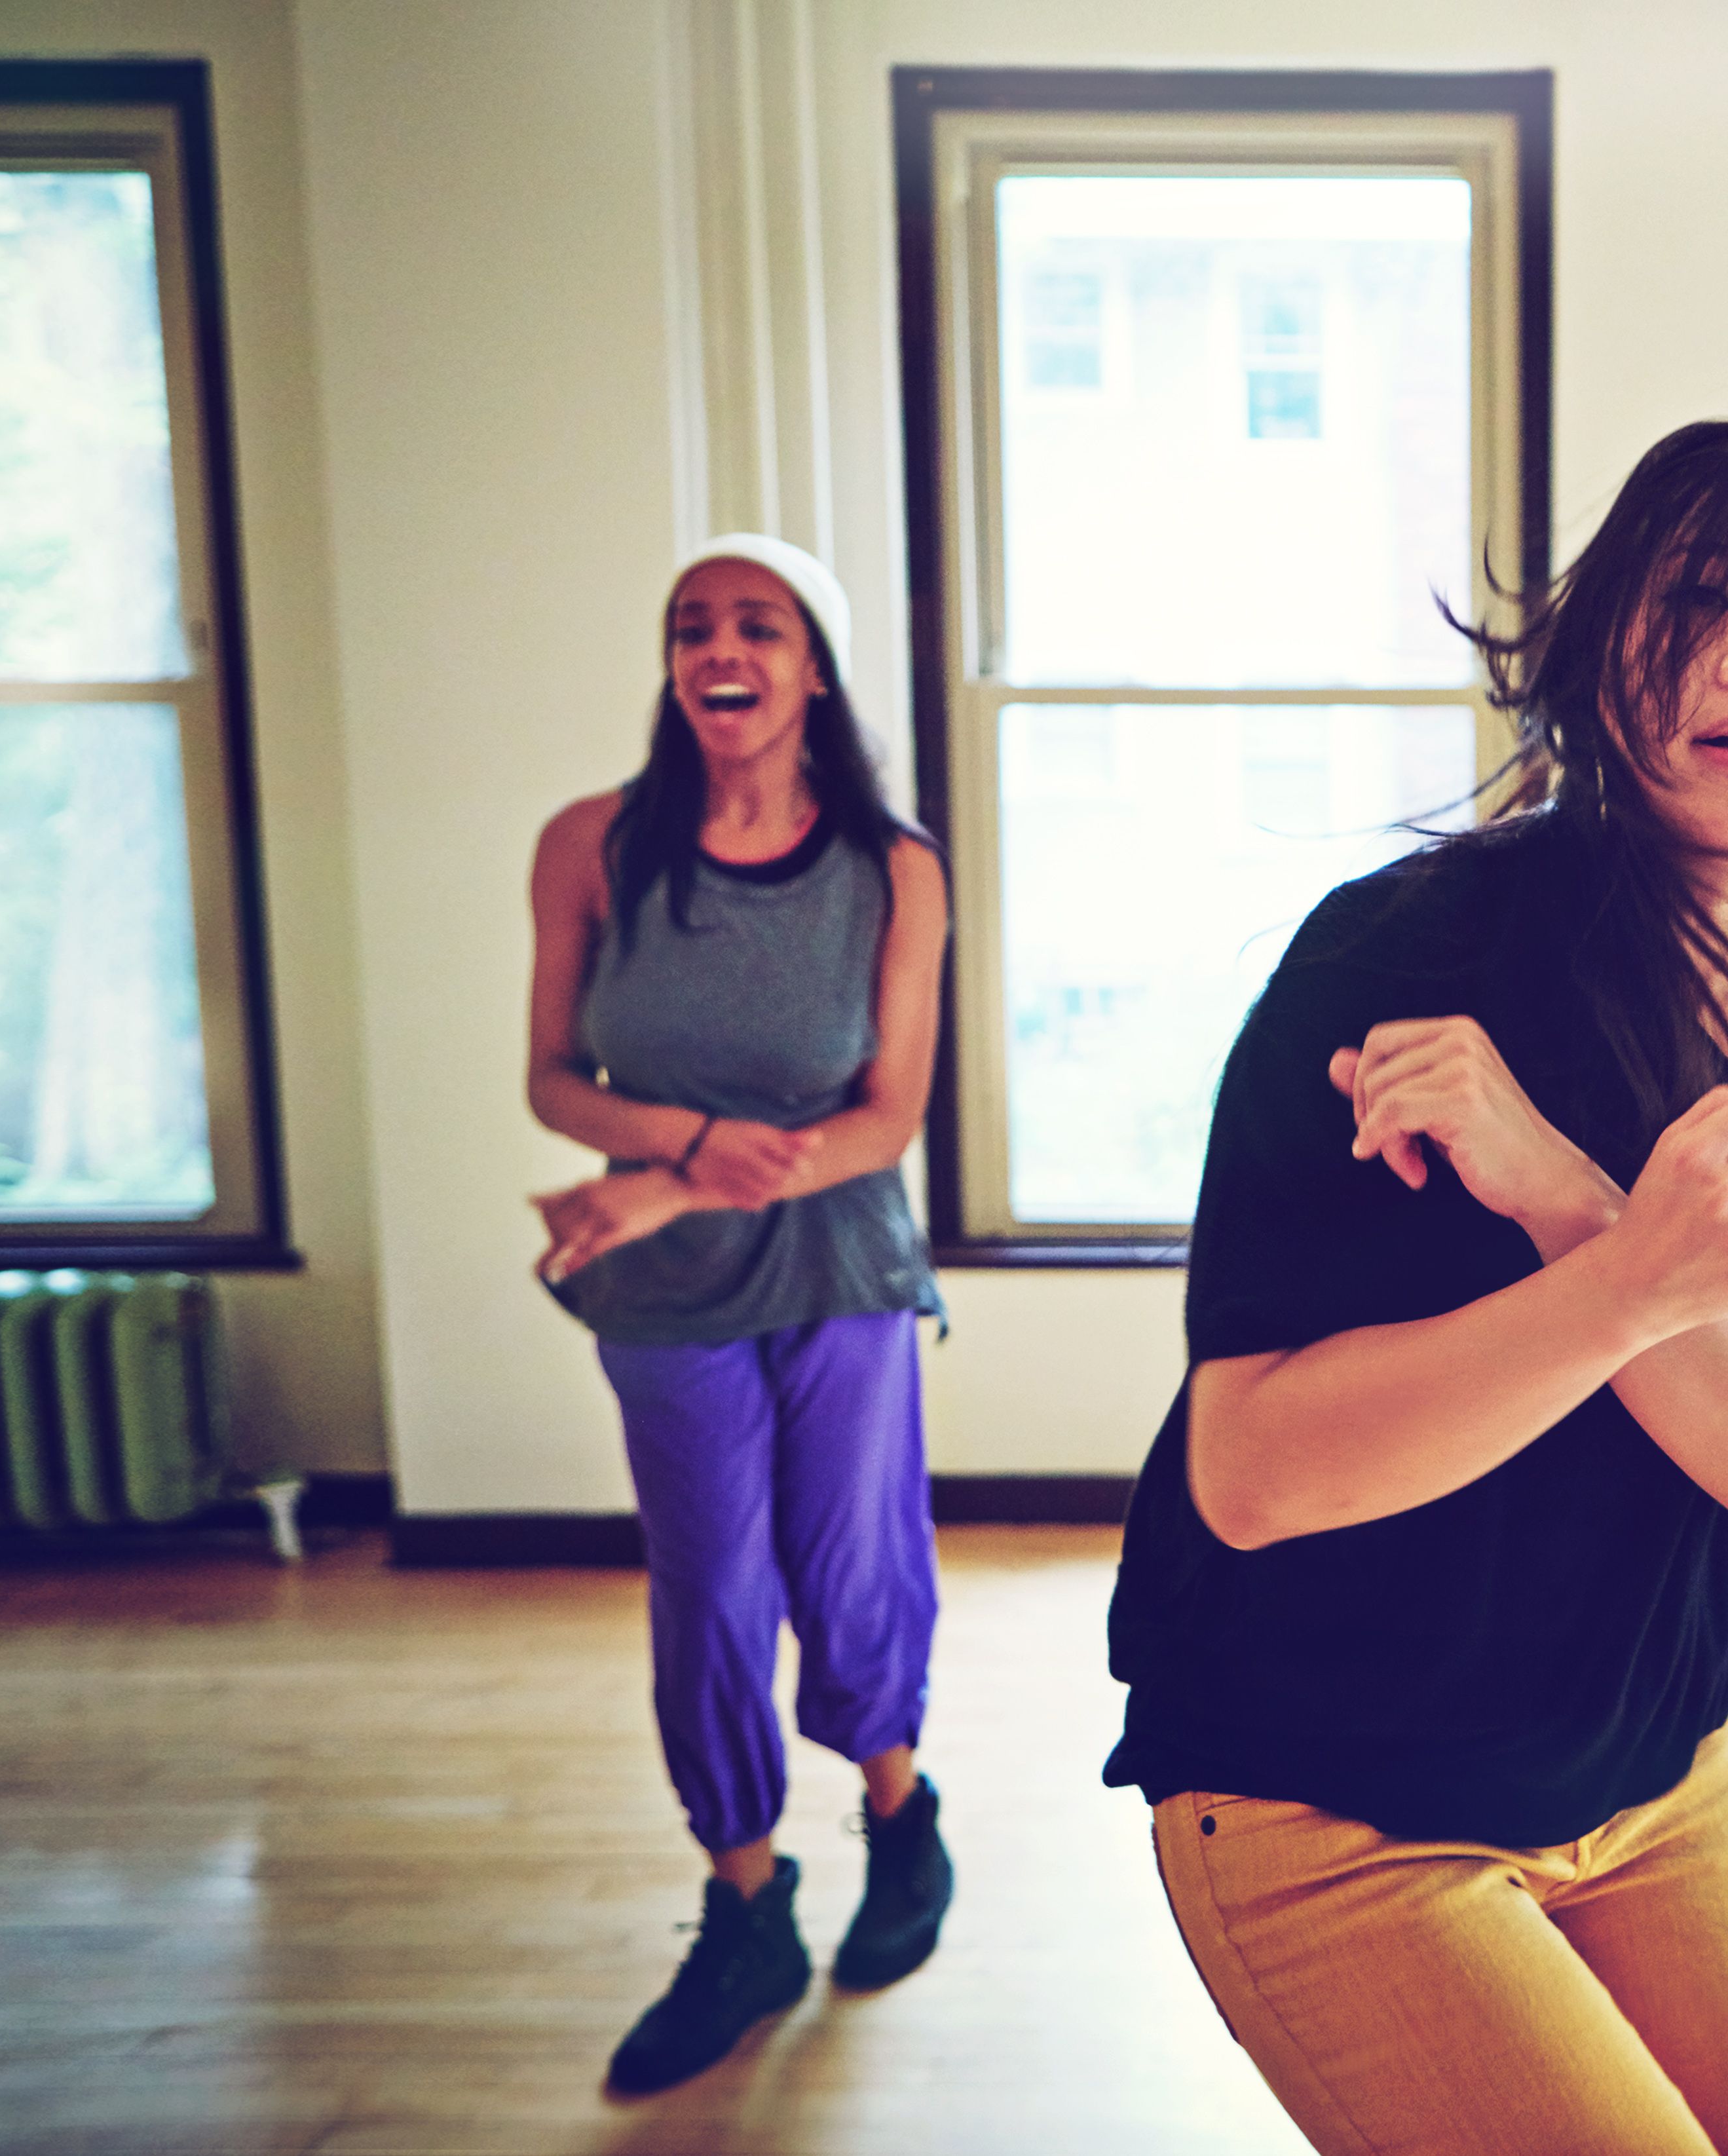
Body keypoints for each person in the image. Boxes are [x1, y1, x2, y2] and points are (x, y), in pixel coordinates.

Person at [1102, 420, 1728, 2155]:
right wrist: (1630, 1286)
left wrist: (1571, 1208)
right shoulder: (1405, 960)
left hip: (1654, 1782)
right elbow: (1252, 1475)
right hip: (1331, 1796)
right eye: (1695, 597)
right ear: (1605, 659)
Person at [523, 533, 955, 2094]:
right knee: (710, 1587)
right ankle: (746, 1900)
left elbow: (883, 1119)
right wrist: (687, 1160)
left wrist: (658, 1182)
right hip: (669, 1290)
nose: (724, 645)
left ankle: (902, 1822)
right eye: (694, 623)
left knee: (846, 1566)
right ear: (673, 665)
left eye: (759, 624)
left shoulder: (892, 867)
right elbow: (555, 1078)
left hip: (838, 1260)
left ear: (813, 670)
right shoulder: (592, 844)